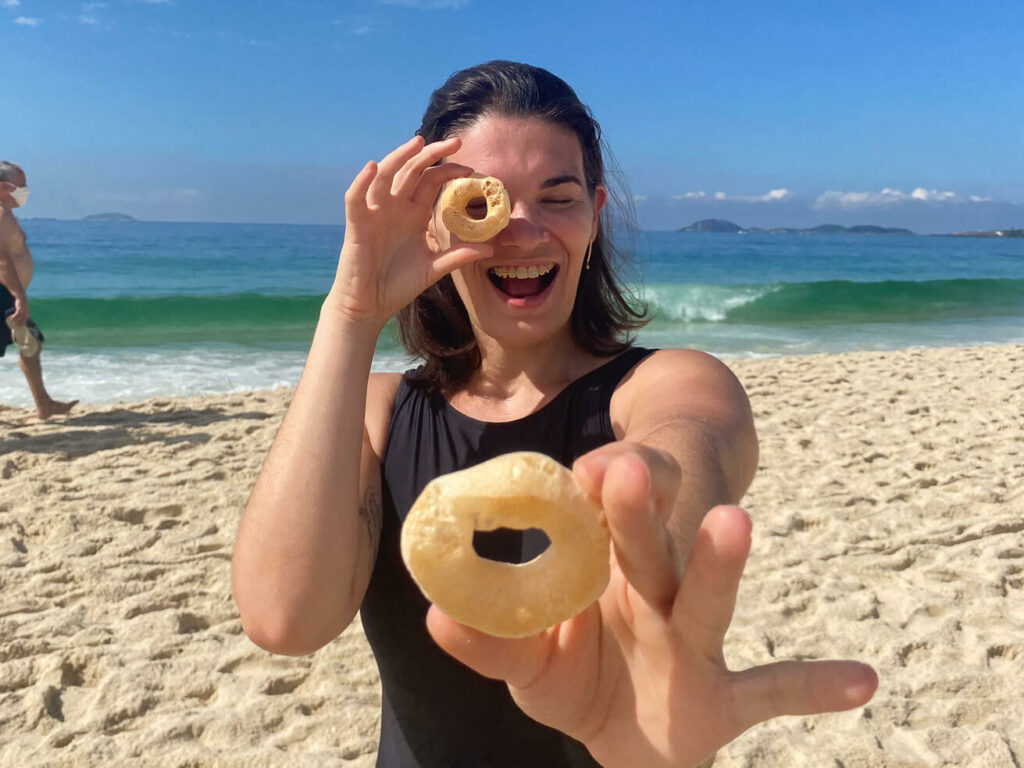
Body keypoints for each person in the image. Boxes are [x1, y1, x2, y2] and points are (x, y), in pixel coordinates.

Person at [232, 61, 877, 767]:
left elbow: (693, 444)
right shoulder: (380, 412)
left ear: (596, 215)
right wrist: (352, 313)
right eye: (483, 202)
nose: (524, 229)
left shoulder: (667, 383)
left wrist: (648, 504)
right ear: (438, 223)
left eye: (557, 197)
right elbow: (284, 618)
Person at [0, 161, 76, 419]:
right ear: (3, 186)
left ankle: (43, 404)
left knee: (29, 340)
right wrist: (19, 296)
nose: (25, 191)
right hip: (4, 292)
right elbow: (1, 260)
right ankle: (44, 404)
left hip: (6, 292)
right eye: (21, 187)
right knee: (29, 339)